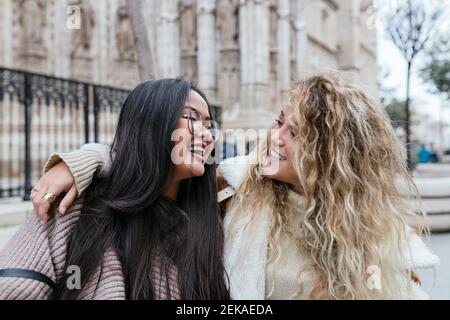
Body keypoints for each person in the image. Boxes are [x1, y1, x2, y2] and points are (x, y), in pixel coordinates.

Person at [28, 72, 439, 299]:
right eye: (279, 121)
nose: (274, 136)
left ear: (334, 158)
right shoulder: (238, 183)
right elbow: (150, 158)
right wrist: (85, 160)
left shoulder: (373, 233)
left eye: (295, 134)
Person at [0, 79, 230, 300]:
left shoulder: (206, 224)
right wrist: (91, 158)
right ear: (150, 124)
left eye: (209, 126)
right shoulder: (72, 206)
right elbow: (14, 289)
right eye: (191, 117)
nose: (207, 135)